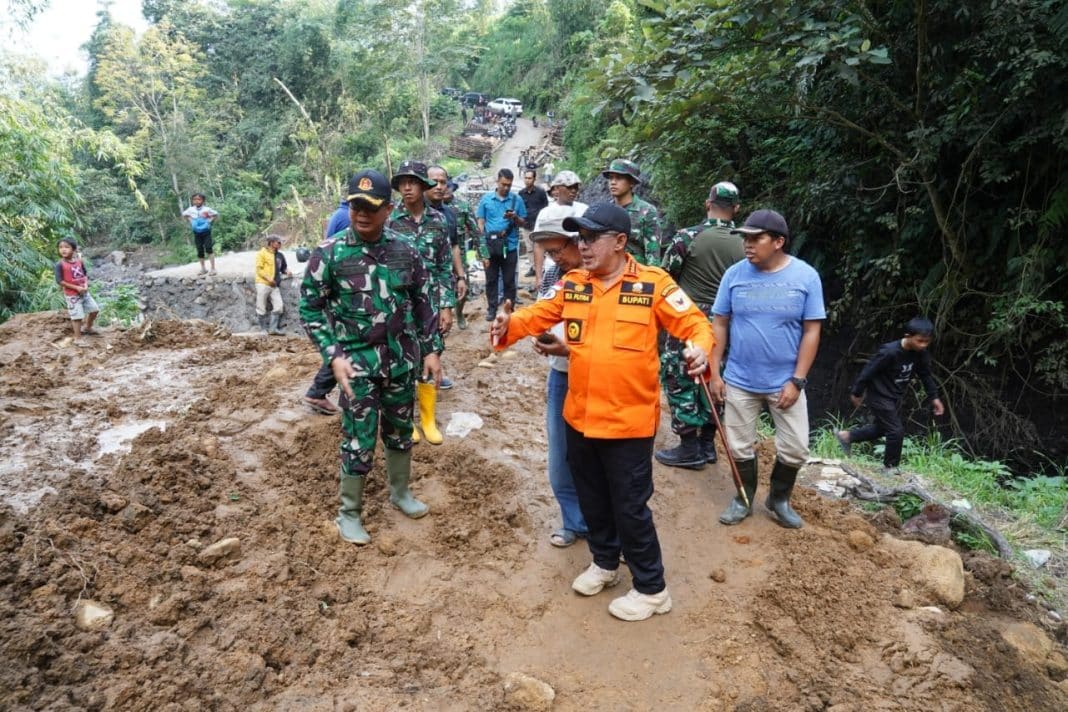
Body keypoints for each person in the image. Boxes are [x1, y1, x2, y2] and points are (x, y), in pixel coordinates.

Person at [490, 202, 714, 622]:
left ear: (620, 242)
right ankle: (605, 562)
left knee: (630, 505)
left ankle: (651, 588)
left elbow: (695, 323)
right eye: (580, 238)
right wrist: (509, 325)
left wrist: (700, 347)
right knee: (591, 496)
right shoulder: (574, 283)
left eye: (591, 238)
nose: (583, 246)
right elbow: (536, 315)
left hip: (628, 423)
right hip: (580, 415)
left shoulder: (654, 285)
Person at [299, 169, 441, 546]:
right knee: (359, 439)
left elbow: (424, 299)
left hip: (399, 362)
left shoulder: (404, 251)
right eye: (355, 205)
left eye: (370, 206)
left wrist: (432, 350)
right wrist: (332, 355)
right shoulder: (328, 254)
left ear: (387, 209)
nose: (361, 213)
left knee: (399, 431)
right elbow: (309, 309)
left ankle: (401, 493)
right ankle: (349, 513)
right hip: (355, 367)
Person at [710, 209, 825, 529]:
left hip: (784, 382)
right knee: (738, 445)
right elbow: (719, 323)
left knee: (796, 448)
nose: (747, 244)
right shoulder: (734, 275)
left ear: (778, 241)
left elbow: (812, 331)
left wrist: (797, 380)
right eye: (745, 238)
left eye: (755, 238)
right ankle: (743, 497)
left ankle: (779, 498)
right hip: (739, 379)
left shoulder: (805, 277)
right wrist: (715, 372)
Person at [655, 182, 744, 469]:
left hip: (687, 318)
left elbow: (665, 278)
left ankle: (689, 447)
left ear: (708, 204)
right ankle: (708, 444)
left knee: (679, 375)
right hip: (726, 322)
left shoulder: (687, 237)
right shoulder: (746, 243)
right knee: (714, 377)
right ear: (737, 209)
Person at [528, 210, 589, 548]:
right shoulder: (555, 274)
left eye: (559, 250)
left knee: (598, 455)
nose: (556, 258)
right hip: (562, 376)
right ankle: (574, 521)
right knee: (560, 454)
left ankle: (608, 527)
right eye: (549, 252)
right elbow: (540, 314)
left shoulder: (605, 278)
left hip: (598, 378)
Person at [387, 160, 455, 442]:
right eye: (402, 182)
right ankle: (406, 421)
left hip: (430, 303)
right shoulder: (391, 222)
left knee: (432, 353)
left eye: (412, 182)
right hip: (400, 304)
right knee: (403, 360)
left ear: (423, 185)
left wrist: (447, 304)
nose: (406, 187)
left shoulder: (438, 221)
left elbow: (443, 266)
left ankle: (428, 419)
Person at [837, 317, 945, 475]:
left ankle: (846, 436)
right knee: (896, 431)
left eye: (927, 342)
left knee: (883, 429)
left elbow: (925, 375)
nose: (923, 345)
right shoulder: (889, 352)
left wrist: (934, 398)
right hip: (878, 395)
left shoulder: (920, 354)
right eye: (920, 341)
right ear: (908, 336)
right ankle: (890, 467)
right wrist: (857, 391)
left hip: (893, 397)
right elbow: (869, 370)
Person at [427, 164, 468, 389]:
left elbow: (454, 247)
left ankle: (432, 372)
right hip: (411, 287)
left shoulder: (449, 214)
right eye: (434, 182)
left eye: (443, 182)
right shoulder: (407, 212)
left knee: (439, 330)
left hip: (439, 284)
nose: (440, 187)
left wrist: (460, 276)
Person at [476, 168, 526, 321]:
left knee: (509, 280)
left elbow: (523, 222)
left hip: (509, 246)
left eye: (509, 185)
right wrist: (481, 246)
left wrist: (515, 217)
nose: (506, 188)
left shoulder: (517, 200)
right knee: (491, 279)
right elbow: (480, 222)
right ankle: (491, 309)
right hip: (490, 246)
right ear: (497, 181)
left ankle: (508, 309)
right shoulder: (486, 199)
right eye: (503, 184)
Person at [533, 170, 588, 288]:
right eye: (569, 187)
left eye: (575, 187)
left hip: (581, 267)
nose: (573, 190)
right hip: (553, 267)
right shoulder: (546, 213)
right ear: (557, 188)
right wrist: (539, 276)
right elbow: (539, 245)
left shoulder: (584, 210)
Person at [602, 159, 661, 266]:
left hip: (635, 273)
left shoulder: (647, 211)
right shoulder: (605, 210)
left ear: (632, 183)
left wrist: (650, 279)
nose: (613, 182)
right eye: (611, 178)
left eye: (619, 178)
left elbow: (653, 253)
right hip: (609, 272)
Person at [445, 179, 479, 330]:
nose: (445, 190)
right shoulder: (429, 207)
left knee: (463, 287)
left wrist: (483, 254)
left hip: (460, 255)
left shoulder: (462, 206)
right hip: (438, 256)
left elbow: (475, 231)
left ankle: (459, 313)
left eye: (448, 187)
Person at [54, 237, 99, 346]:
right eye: (60, 247)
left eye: (66, 247)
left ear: (73, 249)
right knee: (77, 316)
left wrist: (85, 285)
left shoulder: (79, 261)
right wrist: (76, 288)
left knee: (94, 310)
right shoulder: (59, 265)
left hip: (84, 292)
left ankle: (88, 327)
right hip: (72, 295)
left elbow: (84, 274)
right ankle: (77, 339)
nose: (63, 250)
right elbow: (60, 281)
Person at [254, 234, 292, 335]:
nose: (280, 244)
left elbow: (283, 268)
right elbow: (259, 269)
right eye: (278, 242)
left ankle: (272, 329)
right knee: (261, 306)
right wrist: (269, 279)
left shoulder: (280, 255)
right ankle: (263, 329)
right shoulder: (262, 253)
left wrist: (287, 271)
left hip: (274, 285)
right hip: (263, 283)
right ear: (271, 243)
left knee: (279, 306)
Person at [181, 193, 219, 275]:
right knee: (200, 250)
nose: (197, 201)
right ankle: (203, 269)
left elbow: (216, 214)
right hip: (197, 233)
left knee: (209, 248)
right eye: (194, 199)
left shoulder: (207, 209)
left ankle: (213, 269)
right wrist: (190, 220)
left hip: (206, 232)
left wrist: (209, 221)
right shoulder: (191, 209)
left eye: (199, 199)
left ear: (203, 201)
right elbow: (184, 214)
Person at [518, 168, 549, 258]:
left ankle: (542, 268)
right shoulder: (521, 193)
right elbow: (519, 209)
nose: (527, 180)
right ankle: (533, 268)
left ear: (534, 179)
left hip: (538, 225)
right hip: (526, 225)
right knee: (530, 248)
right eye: (526, 178)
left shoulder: (540, 192)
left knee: (541, 247)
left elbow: (545, 207)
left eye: (529, 178)